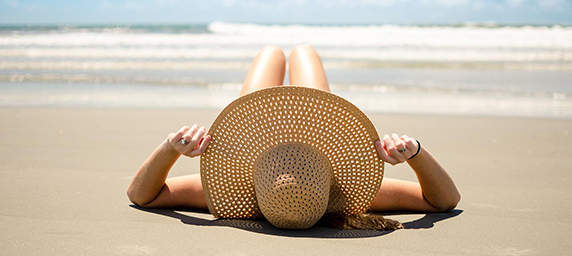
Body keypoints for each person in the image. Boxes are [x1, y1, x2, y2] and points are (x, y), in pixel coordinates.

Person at [127, 45, 460, 229]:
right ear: (326, 191)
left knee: (271, 54)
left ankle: (279, 52)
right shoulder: (339, 193)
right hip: (316, 137)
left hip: (253, 138)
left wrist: (170, 148)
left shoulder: (246, 191)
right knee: (304, 53)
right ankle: (297, 51)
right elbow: (444, 201)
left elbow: (142, 196)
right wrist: (414, 152)